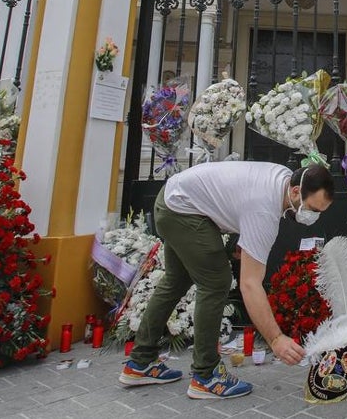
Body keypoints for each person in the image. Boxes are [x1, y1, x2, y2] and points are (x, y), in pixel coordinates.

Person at [119, 161, 334, 399]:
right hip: (182, 209)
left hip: (174, 197)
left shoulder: (284, 178)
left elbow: (234, 197)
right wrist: (276, 339)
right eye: (313, 209)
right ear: (295, 191)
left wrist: (237, 241)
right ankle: (206, 375)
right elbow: (250, 284)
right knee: (216, 281)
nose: (314, 216)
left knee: (176, 280)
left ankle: (140, 363)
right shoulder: (264, 209)